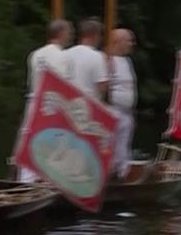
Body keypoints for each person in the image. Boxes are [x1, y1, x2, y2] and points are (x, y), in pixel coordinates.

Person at [14, 19, 73, 182]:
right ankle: (48, 181)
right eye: (68, 32)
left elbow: (31, 82)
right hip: (51, 104)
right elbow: (65, 85)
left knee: (30, 139)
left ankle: (25, 180)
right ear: (61, 34)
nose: (70, 36)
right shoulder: (63, 56)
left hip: (34, 102)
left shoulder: (35, 55)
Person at [107, 28, 137, 179]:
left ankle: (123, 176)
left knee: (124, 148)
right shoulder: (107, 60)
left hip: (126, 112)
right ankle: (110, 175)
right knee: (111, 147)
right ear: (117, 42)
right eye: (128, 40)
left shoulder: (127, 61)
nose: (132, 44)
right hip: (113, 111)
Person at [67, 18, 109, 102]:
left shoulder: (65, 54)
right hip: (89, 104)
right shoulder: (98, 56)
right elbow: (102, 86)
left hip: (68, 103)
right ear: (94, 35)